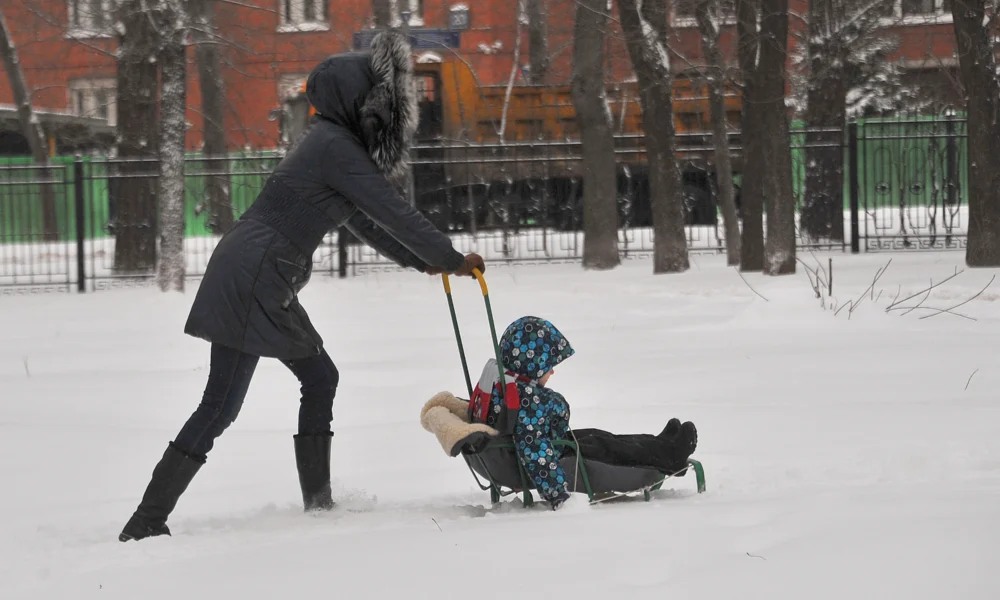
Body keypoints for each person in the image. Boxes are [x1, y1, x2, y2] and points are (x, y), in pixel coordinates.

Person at [119, 30, 485, 542]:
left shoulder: (333, 146)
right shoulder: (333, 146)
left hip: (264, 273)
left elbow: (366, 222)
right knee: (220, 405)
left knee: (319, 377)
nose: (379, 110)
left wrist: (424, 263)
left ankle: (318, 503)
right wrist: (446, 256)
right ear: (356, 102)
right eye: (375, 101)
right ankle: (146, 520)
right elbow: (391, 209)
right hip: (254, 275)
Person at [465, 315, 698, 510]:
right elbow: (534, 449)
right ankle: (670, 456)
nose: (553, 372)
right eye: (548, 367)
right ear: (531, 365)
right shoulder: (527, 403)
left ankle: (659, 444)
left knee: (604, 438)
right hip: (555, 459)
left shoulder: (507, 385)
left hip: (553, 445)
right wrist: (557, 494)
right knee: (613, 450)